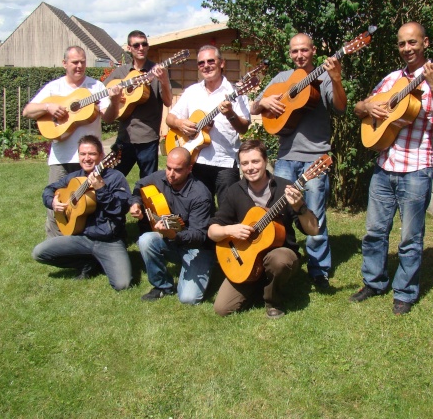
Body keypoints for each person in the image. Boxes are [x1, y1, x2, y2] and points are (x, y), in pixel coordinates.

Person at [350, 22, 433, 315]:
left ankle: (405, 293)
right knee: (374, 231)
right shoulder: (392, 79)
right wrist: (368, 108)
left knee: (410, 238)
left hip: (417, 169)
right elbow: (359, 107)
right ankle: (373, 282)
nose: (407, 48)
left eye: (412, 42)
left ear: (426, 43)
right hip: (385, 166)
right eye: (401, 44)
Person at [250, 33, 347, 289]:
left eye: (304, 50)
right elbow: (252, 107)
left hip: (316, 157)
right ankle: (279, 262)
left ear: (313, 51)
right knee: (278, 212)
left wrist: (336, 80)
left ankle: (319, 271)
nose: (299, 55)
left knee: (314, 213)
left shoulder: (324, 77)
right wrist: (263, 101)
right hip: (285, 156)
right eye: (294, 51)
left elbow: (340, 107)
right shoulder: (282, 78)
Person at [208, 139, 319, 319]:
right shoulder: (234, 191)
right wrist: (230, 230)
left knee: (280, 261)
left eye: (255, 161)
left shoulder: (285, 188)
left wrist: (301, 208)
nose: (250, 167)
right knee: (222, 309)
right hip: (247, 258)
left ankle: (272, 300)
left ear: (266, 161)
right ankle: (256, 284)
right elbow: (212, 231)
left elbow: (313, 231)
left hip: (278, 255)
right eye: (245, 163)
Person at [23, 45, 120, 237]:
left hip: (89, 158)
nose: (79, 66)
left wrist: (115, 100)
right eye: (75, 62)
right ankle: (55, 246)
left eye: (83, 62)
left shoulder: (96, 87)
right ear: (64, 63)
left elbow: (109, 117)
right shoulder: (54, 87)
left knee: (87, 206)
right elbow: (27, 111)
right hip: (61, 157)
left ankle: (85, 248)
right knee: (57, 203)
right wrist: (48, 106)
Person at [31, 135, 132, 291]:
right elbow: (49, 189)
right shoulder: (74, 177)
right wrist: (52, 201)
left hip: (109, 240)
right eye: (82, 154)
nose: (86, 158)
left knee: (122, 284)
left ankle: (102, 260)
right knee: (39, 253)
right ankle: (87, 262)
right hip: (81, 237)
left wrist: (101, 188)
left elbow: (119, 209)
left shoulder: (115, 178)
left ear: (102, 156)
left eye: (91, 154)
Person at [166, 45, 250, 209]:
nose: (206, 65)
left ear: (221, 63)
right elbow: (170, 117)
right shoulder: (192, 91)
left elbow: (243, 128)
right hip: (195, 159)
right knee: (200, 207)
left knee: (228, 209)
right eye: (201, 63)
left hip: (224, 161)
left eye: (211, 61)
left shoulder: (235, 92)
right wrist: (180, 124)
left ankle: (225, 235)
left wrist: (230, 114)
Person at [129, 147, 215, 305]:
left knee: (188, 299)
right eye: (168, 168)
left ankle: (208, 270)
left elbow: (199, 236)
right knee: (146, 240)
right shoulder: (159, 178)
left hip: (198, 249)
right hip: (173, 241)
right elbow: (138, 185)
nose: (170, 174)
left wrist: (174, 236)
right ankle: (162, 286)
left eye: (177, 170)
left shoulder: (200, 195)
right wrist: (136, 204)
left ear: (189, 169)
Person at [104, 30, 173, 178]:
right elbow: (102, 92)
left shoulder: (157, 71)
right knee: (112, 179)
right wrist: (115, 97)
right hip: (124, 137)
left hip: (148, 138)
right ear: (129, 48)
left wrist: (165, 81)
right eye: (136, 45)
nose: (141, 48)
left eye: (144, 44)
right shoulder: (120, 73)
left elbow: (168, 101)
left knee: (148, 184)